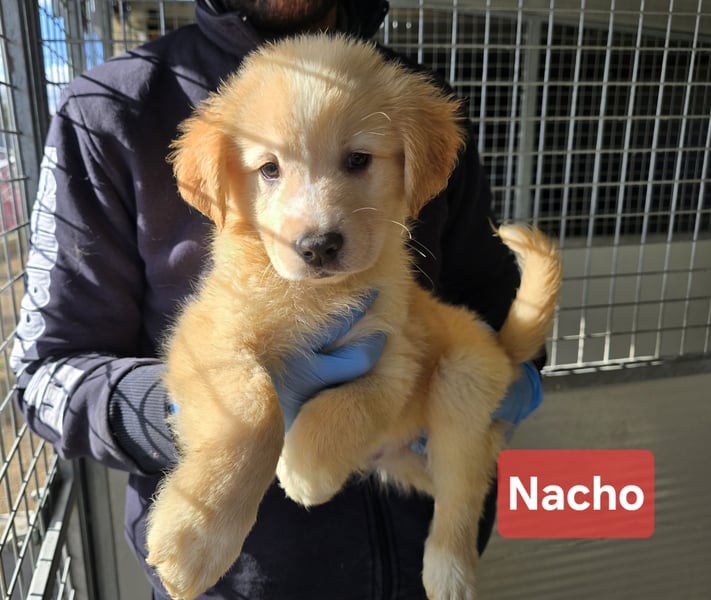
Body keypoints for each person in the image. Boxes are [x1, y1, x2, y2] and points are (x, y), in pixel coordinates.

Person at [11, 1, 544, 598]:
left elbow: (485, 292)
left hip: (415, 562)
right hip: (239, 585)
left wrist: (500, 384)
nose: (315, 228)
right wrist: (210, 418)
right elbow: (43, 375)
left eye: (357, 161)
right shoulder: (108, 109)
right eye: (269, 168)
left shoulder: (403, 99)